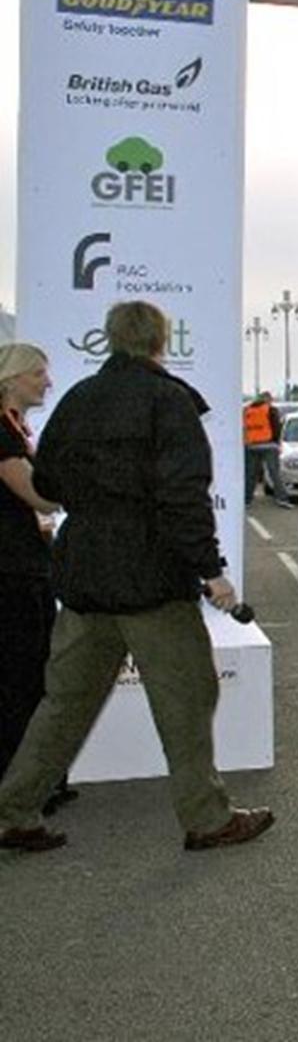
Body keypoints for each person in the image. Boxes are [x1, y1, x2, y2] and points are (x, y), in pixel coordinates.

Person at [0, 301, 273, 853]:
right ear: (159, 342)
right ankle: (207, 818)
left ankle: (13, 811)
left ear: (109, 340)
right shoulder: (169, 402)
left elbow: (48, 484)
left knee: (63, 705)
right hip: (151, 582)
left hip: (84, 579)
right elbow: (183, 499)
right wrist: (212, 572)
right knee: (187, 699)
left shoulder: (77, 401)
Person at [0, 343, 68, 815]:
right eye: (39, 374)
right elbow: (40, 496)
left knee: (32, 675)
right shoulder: (3, 436)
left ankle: (35, 784)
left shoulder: (15, 429)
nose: (46, 382)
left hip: (26, 565)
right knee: (20, 680)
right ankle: (18, 796)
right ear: (13, 378)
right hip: (12, 574)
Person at [242, 390, 291, 507]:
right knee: (274, 473)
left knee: (250, 474)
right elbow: (276, 428)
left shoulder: (247, 410)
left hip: (251, 445)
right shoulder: (271, 410)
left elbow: (244, 428)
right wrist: (277, 443)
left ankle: (247, 500)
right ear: (268, 399)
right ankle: (282, 498)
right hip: (268, 444)